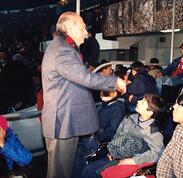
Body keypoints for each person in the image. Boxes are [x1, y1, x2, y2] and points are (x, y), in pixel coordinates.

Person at [41, 12, 126, 178]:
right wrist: (115, 82)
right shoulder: (62, 50)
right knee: (59, 174)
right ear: (70, 28)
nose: (86, 33)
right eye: (82, 28)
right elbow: (84, 77)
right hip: (62, 124)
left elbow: (73, 82)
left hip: (67, 122)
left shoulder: (63, 48)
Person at [81, 93, 166, 178]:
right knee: (88, 170)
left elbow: (157, 154)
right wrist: (113, 151)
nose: (138, 101)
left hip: (133, 161)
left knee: (96, 173)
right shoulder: (130, 118)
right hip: (115, 155)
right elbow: (118, 135)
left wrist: (133, 160)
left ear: (149, 112)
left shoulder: (154, 132)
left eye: (143, 102)